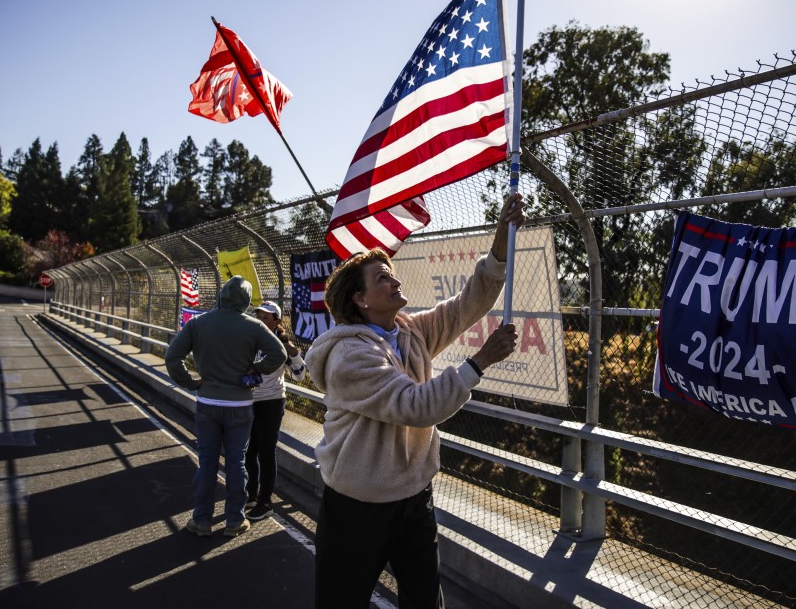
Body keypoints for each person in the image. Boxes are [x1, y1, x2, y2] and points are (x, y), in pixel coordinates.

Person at [305, 193, 526, 608]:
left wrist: (501, 241)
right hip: (358, 507)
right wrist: (479, 361)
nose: (395, 281)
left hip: (414, 498)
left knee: (425, 602)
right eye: (382, 279)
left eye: (392, 274)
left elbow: (467, 305)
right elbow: (416, 406)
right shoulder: (350, 357)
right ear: (360, 299)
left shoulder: (410, 331)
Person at [165, 275, 286, 538]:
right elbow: (280, 354)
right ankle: (234, 520)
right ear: (245, 300)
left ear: (221, 295)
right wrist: (257, 368)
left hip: (207, 401)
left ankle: (202, 521)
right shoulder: (254, 326)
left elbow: (172, 357)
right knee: (236, 462)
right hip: (240, 403)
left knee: (207, 462)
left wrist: (191, 383)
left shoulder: (198, 323)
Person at [246, 299, 306, 522]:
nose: (260, 320)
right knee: (248, 451)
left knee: (266, 452)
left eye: (266, 317)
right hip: (249, 401)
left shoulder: (281, 345)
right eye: (258, 316)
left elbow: (299, 375)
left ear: (277, 321)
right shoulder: (250, 340)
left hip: (271, 402)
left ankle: (265, 502)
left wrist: (294, 353)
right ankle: (251, 495)